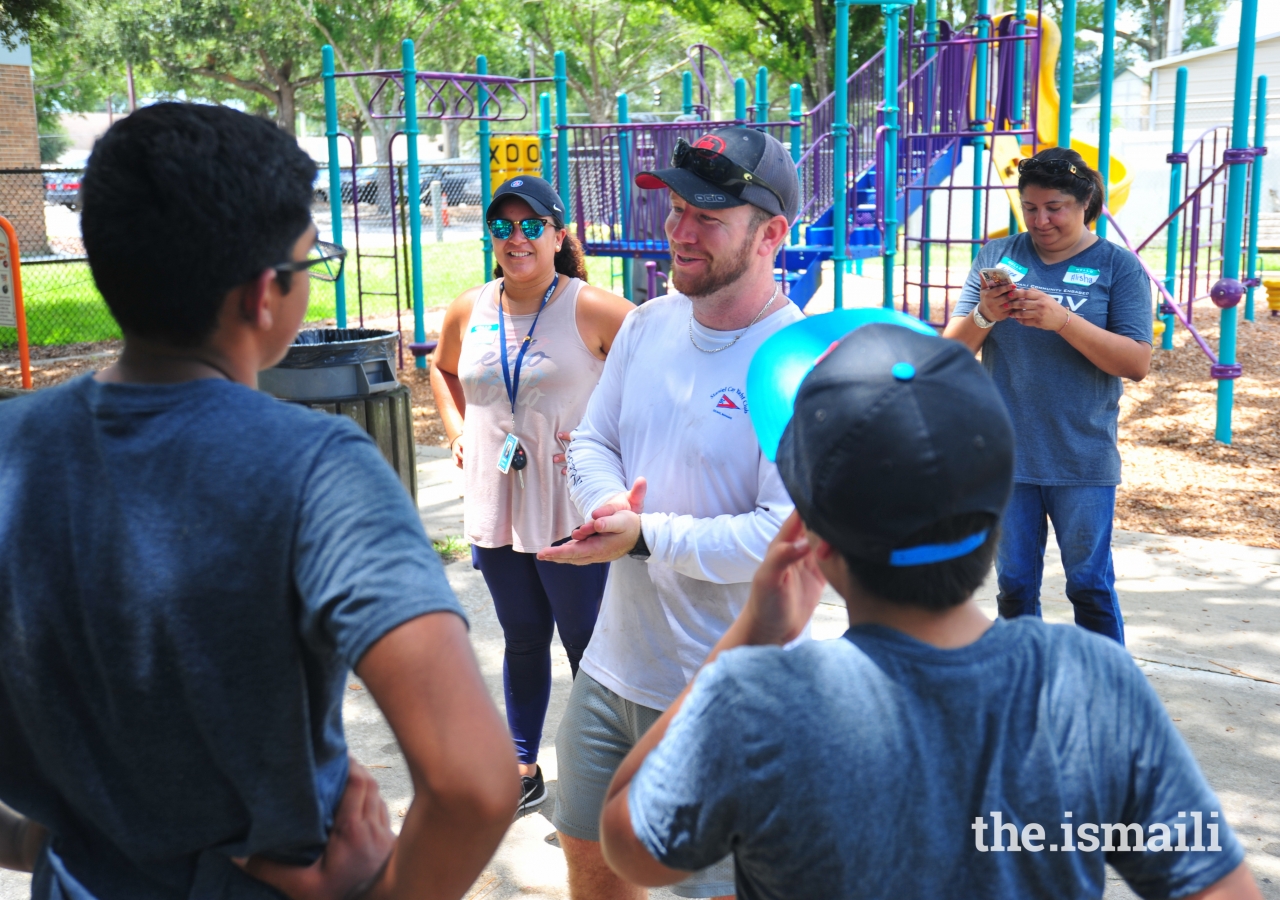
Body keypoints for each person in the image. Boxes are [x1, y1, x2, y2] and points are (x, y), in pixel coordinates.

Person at [0, 103, 516, 900]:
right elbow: (477, 783)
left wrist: (69, 841)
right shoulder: (316, 470)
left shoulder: (11, 449)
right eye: (309, 264)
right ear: (262, 295)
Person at [597, 321, 1260, 900]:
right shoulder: (1090, 683)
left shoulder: (755, 702)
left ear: (814, 539)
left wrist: (747, 638)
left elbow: (629, 843)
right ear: (1000, 501)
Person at [537, 126, 804, 900]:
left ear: (771, 235)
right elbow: (592, 443)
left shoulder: (796, 364)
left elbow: (779, 537)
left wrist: (645, 536)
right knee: (587, 862)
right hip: (609, 669)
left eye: (708, 217)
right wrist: (608, 505)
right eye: (677, 207)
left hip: (723, 693)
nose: (680, 231)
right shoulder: (650, 324)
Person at [430, 175, 632, 813]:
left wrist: (608, 438)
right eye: (501, 227)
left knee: (586, 642)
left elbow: (657, 376)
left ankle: (612, 770)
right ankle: (523, 764)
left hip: (568, 504)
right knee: (520, 635)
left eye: (530, 225)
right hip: (496, 498)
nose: (515, 238)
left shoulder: (594, 308)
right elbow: (441, 367)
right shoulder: (470, 307)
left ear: (557, 233)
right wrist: (460, 429)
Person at [943, 146, 1153, 644]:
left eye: (1054, 207)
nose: (1041, 220)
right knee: (1014, 587)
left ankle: (1107, 691)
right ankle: (1022, 686)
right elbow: (947, 355)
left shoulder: (1118, 267)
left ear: (1085, 203)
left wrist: (1063, 321)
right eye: (1030, 207)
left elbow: (1136, 363)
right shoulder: (996, 256)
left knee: (1089, 585)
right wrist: (985, 316)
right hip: (1005, 456)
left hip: (1081, 457)